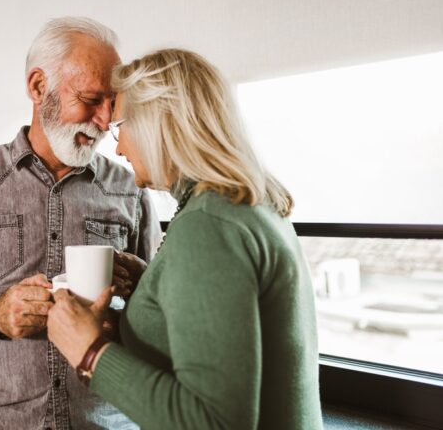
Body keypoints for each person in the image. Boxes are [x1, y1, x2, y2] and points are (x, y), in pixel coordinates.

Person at [0, 17, 161, 429]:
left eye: (112, 103)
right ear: (38, 88)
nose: (106, 121)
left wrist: (141, 287)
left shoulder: (131, 188)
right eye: (91, 99)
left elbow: (161, 313)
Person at [47, 49, 324, 430]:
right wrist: (153, 286)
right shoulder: (243, 205)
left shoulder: (208, 225)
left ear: (158, 123)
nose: (118, 147)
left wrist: (89, 352)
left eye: (121, 125)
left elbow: (214, 422)